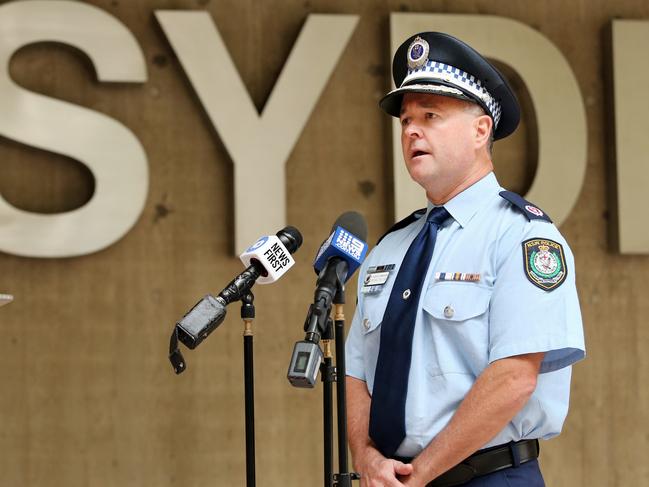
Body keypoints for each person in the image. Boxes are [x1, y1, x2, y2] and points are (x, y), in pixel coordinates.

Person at [345, 32, 585, 487]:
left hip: (489, 477)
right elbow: (357, 371)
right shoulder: (391, 248)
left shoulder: (522, 235)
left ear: (481, 130)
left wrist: (423, 474)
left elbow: (515, 377)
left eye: (431, 115)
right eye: (406, 120)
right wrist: (367, 458)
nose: (412, 130)